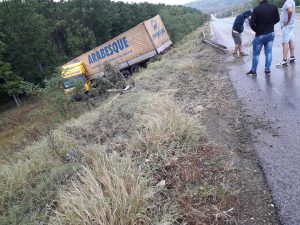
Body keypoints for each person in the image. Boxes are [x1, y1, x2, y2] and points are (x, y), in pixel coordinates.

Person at [246, 0, 280, 75]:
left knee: (256, 54)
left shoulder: (256, 9)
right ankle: (267, 69)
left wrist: (256, 29)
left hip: (260, 35)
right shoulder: (273, 7)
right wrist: (270, 25)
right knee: (268, 52)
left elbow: (252, 23)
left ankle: (253, 71)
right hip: (271, 33)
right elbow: (277, 19)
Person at [276, 0, 296, 67]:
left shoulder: (287, 2)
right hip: (291, 25)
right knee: (291, 40)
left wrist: (287, 21)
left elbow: (290, 10)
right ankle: (292, 57)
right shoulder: (292, 1)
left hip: (287, 26)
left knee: (285, 42)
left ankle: (284, 60)